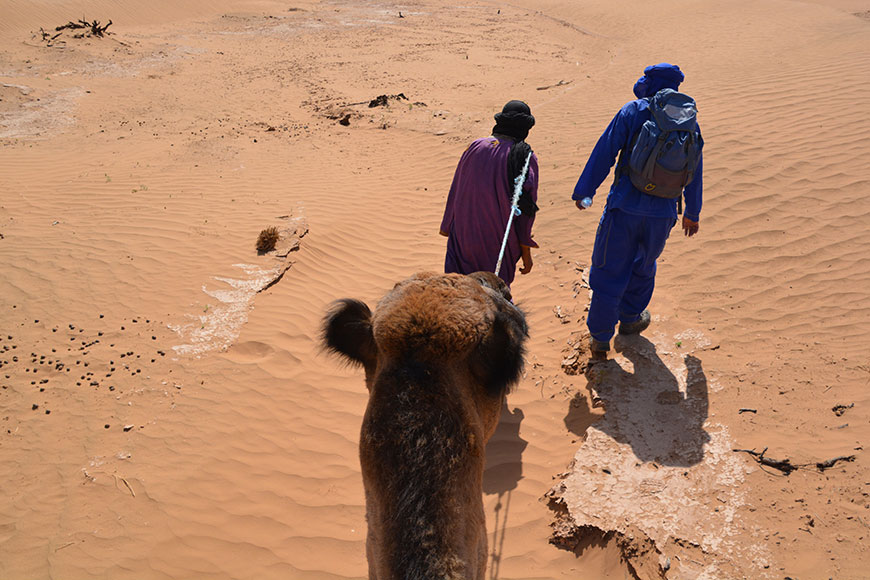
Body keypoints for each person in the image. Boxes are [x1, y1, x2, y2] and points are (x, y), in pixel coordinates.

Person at [573, 63, 703, 354]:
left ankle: (600, 338)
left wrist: (585, 191)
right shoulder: (689, 121)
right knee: (644, 266)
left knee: (609, 269)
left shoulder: (633, 111)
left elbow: (605, 151)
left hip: (624, 207)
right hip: (664, 213)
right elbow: (695, 170)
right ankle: (631, 320)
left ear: (650, 82)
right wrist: (692, 213)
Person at [440, 100, 539, 287]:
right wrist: (526, 252)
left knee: (458, 289)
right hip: (497, 241)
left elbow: (456, 188)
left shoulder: (475, 146)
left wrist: (447, 226)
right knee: (494, 294)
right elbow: (526, 209)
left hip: (463, 235)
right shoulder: (525, 157)